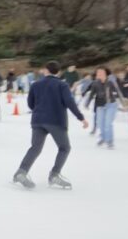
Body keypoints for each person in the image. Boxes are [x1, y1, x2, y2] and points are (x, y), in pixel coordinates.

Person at [13, 61, 89, 189]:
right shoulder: (62, 85)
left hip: (38, 120)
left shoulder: (35, 84)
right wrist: (81, 118)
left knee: (35, 148)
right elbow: (70, 102)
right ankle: (54, 175)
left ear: (45, 70)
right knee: (64, 148)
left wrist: (40, 109)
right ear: (58, 72)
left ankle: (21, 172)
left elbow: (30, 104)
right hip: (56, 121)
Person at [84, 67, 122, 149]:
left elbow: (118, 92)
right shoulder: (95, 83)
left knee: (108, 124)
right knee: (100, 124)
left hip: (111, 105)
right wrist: (87, 103)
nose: (99, 74)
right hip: (100, 106)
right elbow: (91, 94)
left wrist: (122, 103)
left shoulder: (111, 82)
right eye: (98, 73)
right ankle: (103, 138)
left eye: (101, 72)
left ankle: (109, 141)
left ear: (105, 74)